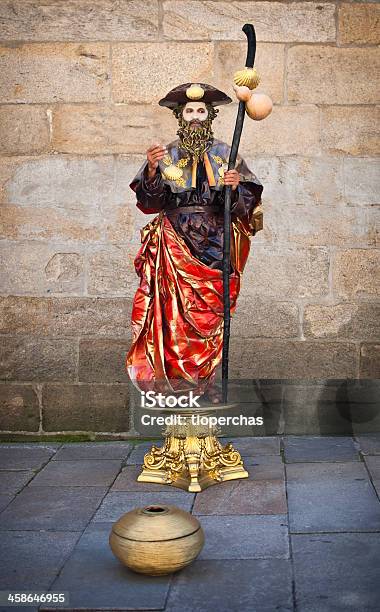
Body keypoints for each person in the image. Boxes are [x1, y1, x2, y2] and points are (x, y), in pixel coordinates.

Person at [126, 83, 263, 401]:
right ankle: (176, 388)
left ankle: (207, 387)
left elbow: (246, 207)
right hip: (175, 246)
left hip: (216, 247)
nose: (196, 117)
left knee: (209, 319)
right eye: (190, 111)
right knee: (174, 320)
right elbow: (150, 202)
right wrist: (150, 170)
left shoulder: (226, 155)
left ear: (210, 115)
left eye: (201, 111)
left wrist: (235, 185)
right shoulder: (166, 155)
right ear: (180, 116)